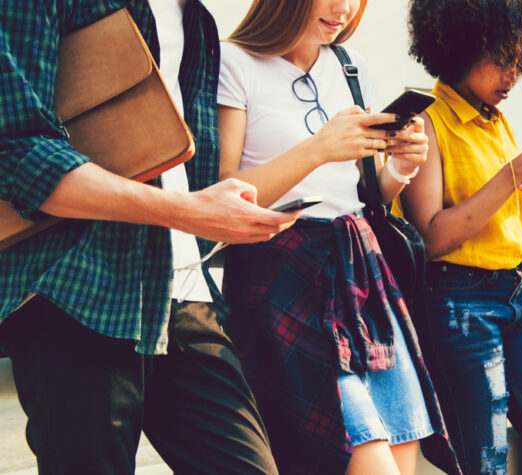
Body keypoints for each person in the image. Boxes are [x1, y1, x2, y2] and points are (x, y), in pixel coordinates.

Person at [0, 0, 299, 473]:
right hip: (77, 294)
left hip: (184, 292)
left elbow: (187, 164)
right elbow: (16, 151)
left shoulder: (196, 20)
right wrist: (189, 213)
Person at [215, 0, 460, 474]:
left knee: (400, 448)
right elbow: (224, 194)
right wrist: (319, 149)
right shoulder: (235, 62)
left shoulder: (350, 67)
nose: (344, 8)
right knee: (359, 453)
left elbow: (364, 193)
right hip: (281, 273)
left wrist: (401, 169)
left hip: (360, 273)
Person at [399, 1, 522, 473]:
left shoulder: (497, 119)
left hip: (518, 295)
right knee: (484, 459)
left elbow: (506, 225)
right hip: (458, 301)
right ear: (459, 47)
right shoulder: (425, 123)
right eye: (503, 59)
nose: (513, 76)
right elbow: (430, 237)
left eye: (521, 60)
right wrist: (515, 173)